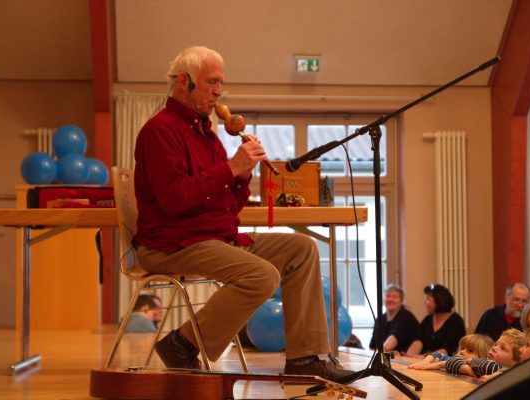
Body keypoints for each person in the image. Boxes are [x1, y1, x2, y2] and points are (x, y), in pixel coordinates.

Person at [132, 46, 351, 380]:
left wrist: (243, 174)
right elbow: (174, 200)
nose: (219, 92)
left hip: (213, 236)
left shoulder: (206, 133)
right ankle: (184, 343)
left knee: (301, 248)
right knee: (261, 275)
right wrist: (231, 167)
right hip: (172, 243)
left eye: (221, 84)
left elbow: (228, 206)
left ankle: (305, 359)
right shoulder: (159, 131)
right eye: (212, 82)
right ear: (183, 82)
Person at [405, 284, 466, 356]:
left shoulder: (456, 322)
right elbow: (418, 340)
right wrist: (409, 356)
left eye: (428, 299)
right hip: (424, 361)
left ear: (439, 300)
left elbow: (448, 350)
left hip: (444, 364)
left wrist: (422, 358)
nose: (424, 302)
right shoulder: (427, 319)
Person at [445, 328, 526, 379]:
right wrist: (467, 369)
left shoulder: (505, 372)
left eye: (502, 348)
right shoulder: (483, 364)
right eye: (496, 344)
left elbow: (487, 365)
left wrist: (469, 361)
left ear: (516, 362)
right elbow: (451, 360)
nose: (494, 348)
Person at [368, 284, 419, 353]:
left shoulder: (406, 316)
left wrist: (381, 351)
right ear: (384, 300)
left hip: (407, 359)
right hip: (389, 358)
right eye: (388, 296)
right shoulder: (379, 320)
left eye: (395, 297)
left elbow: (394, 339)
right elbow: (373, 346)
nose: (391, 299)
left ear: (401, 301)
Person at [408, 333, 494, 371]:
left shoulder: (483, 369)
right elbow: (439, 355)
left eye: (470, 350)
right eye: (462, 348)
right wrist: (425, 362)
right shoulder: (454, 360)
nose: (462, 352)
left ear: (483, 356)